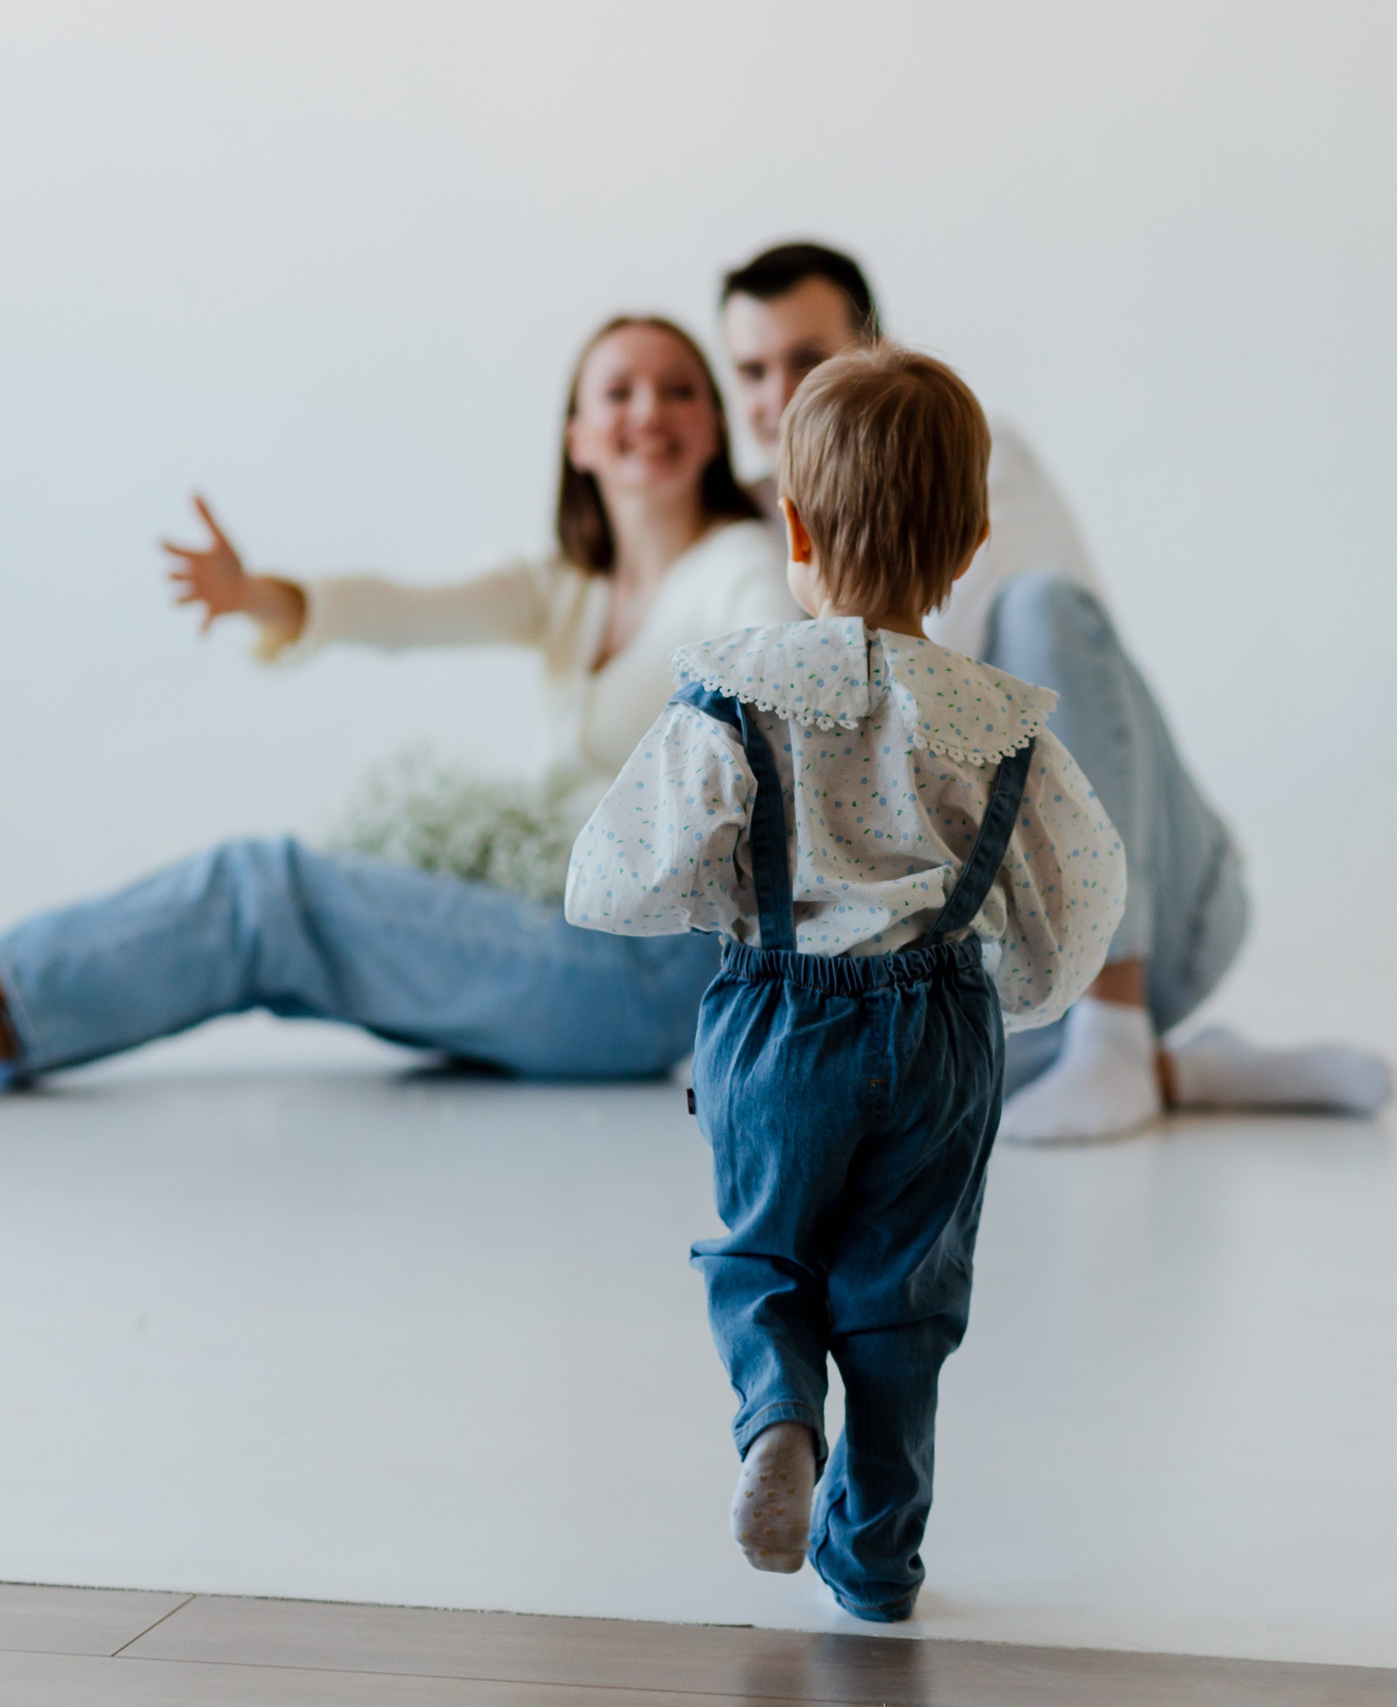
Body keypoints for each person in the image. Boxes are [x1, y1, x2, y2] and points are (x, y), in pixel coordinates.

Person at [0, 315, 800, 1100]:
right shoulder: (565, 586)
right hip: (564, 942)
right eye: (617, 391)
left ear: (712, 430)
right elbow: (401, 609)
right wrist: (260, 598)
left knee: (262, 891)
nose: (646, 411)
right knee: (263, 932)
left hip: (642, 981)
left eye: (677, 390)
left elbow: (777, 666)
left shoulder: (737, 569)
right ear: (575, 435)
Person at [566, 347, 1124, 1620]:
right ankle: (875, 1560)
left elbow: (613, 875)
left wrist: (727, 899)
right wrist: (1024, 992)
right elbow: (1079, 888)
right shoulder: (996, 721)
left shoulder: (740, 692)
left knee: (760, 1252)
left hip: (774, 1018)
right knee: (901, 1299)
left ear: (795, 524)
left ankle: (776, 1419)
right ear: (973, 540)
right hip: (942, 1032)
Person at [717, 242, 1393, 1140]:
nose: (777, 395)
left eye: (805, 358)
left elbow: (1056, 687)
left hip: (1137, 900)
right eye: (752, 370)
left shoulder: (963, 455)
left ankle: (1116, 1026)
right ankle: (1172, 1068)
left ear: (870, 347)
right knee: (882, 1025)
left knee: (1041, 608)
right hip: (976, 958)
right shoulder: (746, 538)